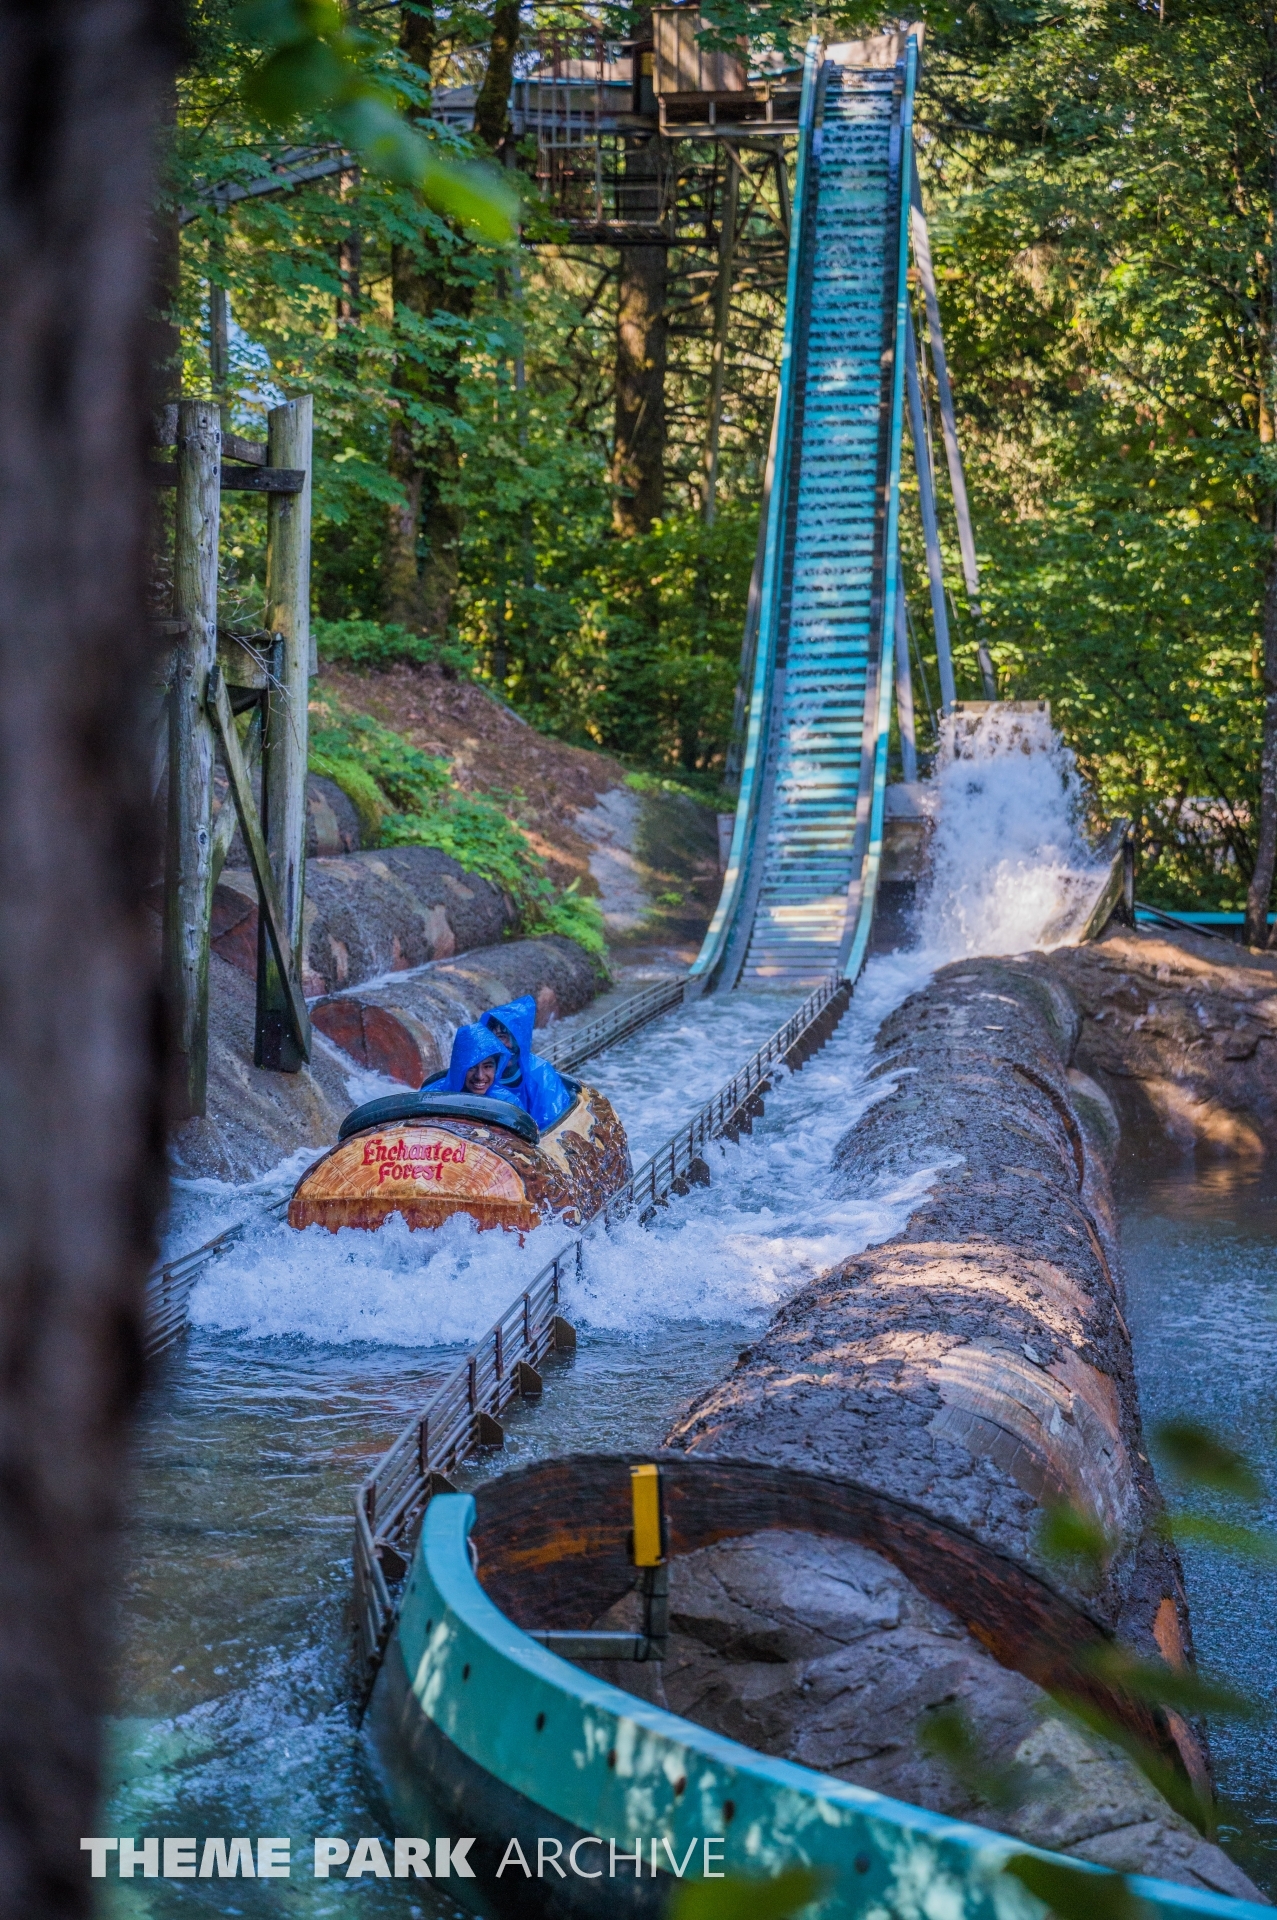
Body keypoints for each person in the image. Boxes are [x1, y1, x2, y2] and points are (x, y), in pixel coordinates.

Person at [481, 995, 574, 1131]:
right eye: (502, 1037)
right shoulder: (476, 1072)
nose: (509, 1045)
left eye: (515, 1038)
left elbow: (554, 1126)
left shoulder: (540, 1073)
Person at [437, 1023, 522, 1105]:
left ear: (497, 1068)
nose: (480, 1076)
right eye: (471, 1067)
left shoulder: (509, 1103)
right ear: (459, 1068)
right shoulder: (434, 1098)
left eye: (487, 1066)